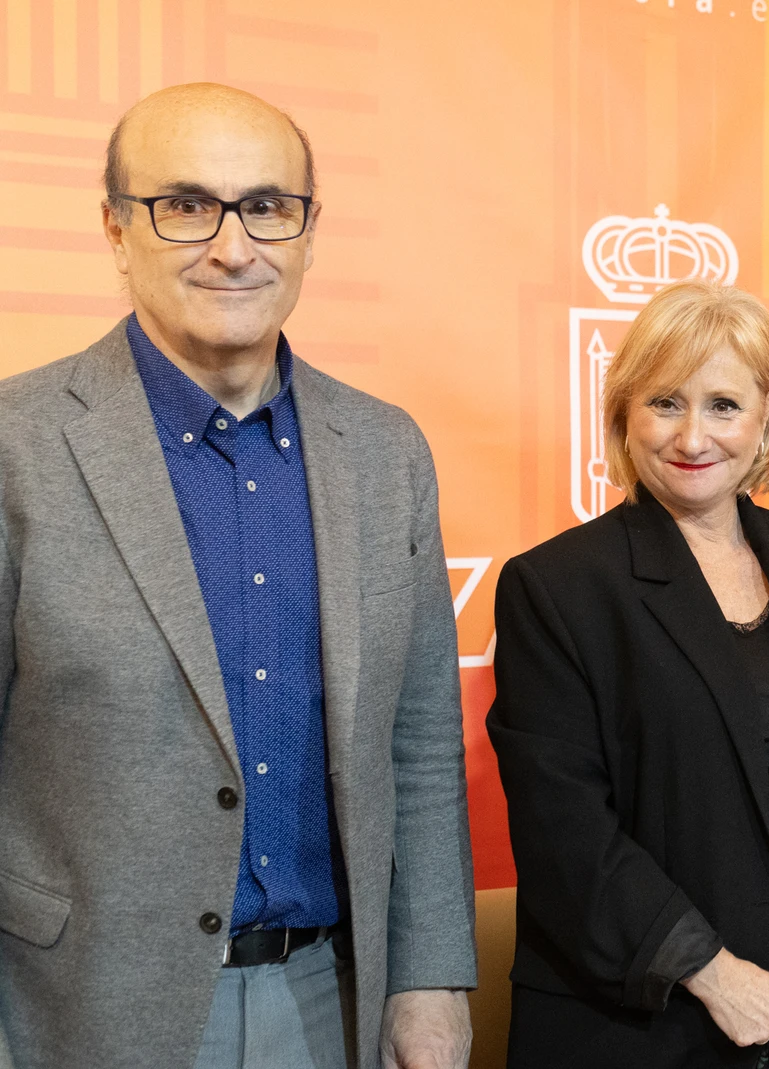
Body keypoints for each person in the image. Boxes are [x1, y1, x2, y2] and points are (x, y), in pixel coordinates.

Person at [0, 84, 476, 1069]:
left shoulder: (386, 453)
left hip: (332, 999)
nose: (232, 245)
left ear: (307, 231)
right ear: (115, 228)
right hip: (77, 1010)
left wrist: (429, 979)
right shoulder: (18, 445)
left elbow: (421, 743)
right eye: (185, 205)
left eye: (266, 206)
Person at [486, 280, 769, 1068]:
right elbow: (565, 829)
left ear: (766, 419)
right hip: (636, 1025)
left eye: (723, 404)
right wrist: (712, 974)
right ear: (623, 413)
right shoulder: (557, 586)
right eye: (665, 402)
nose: (693, 435)